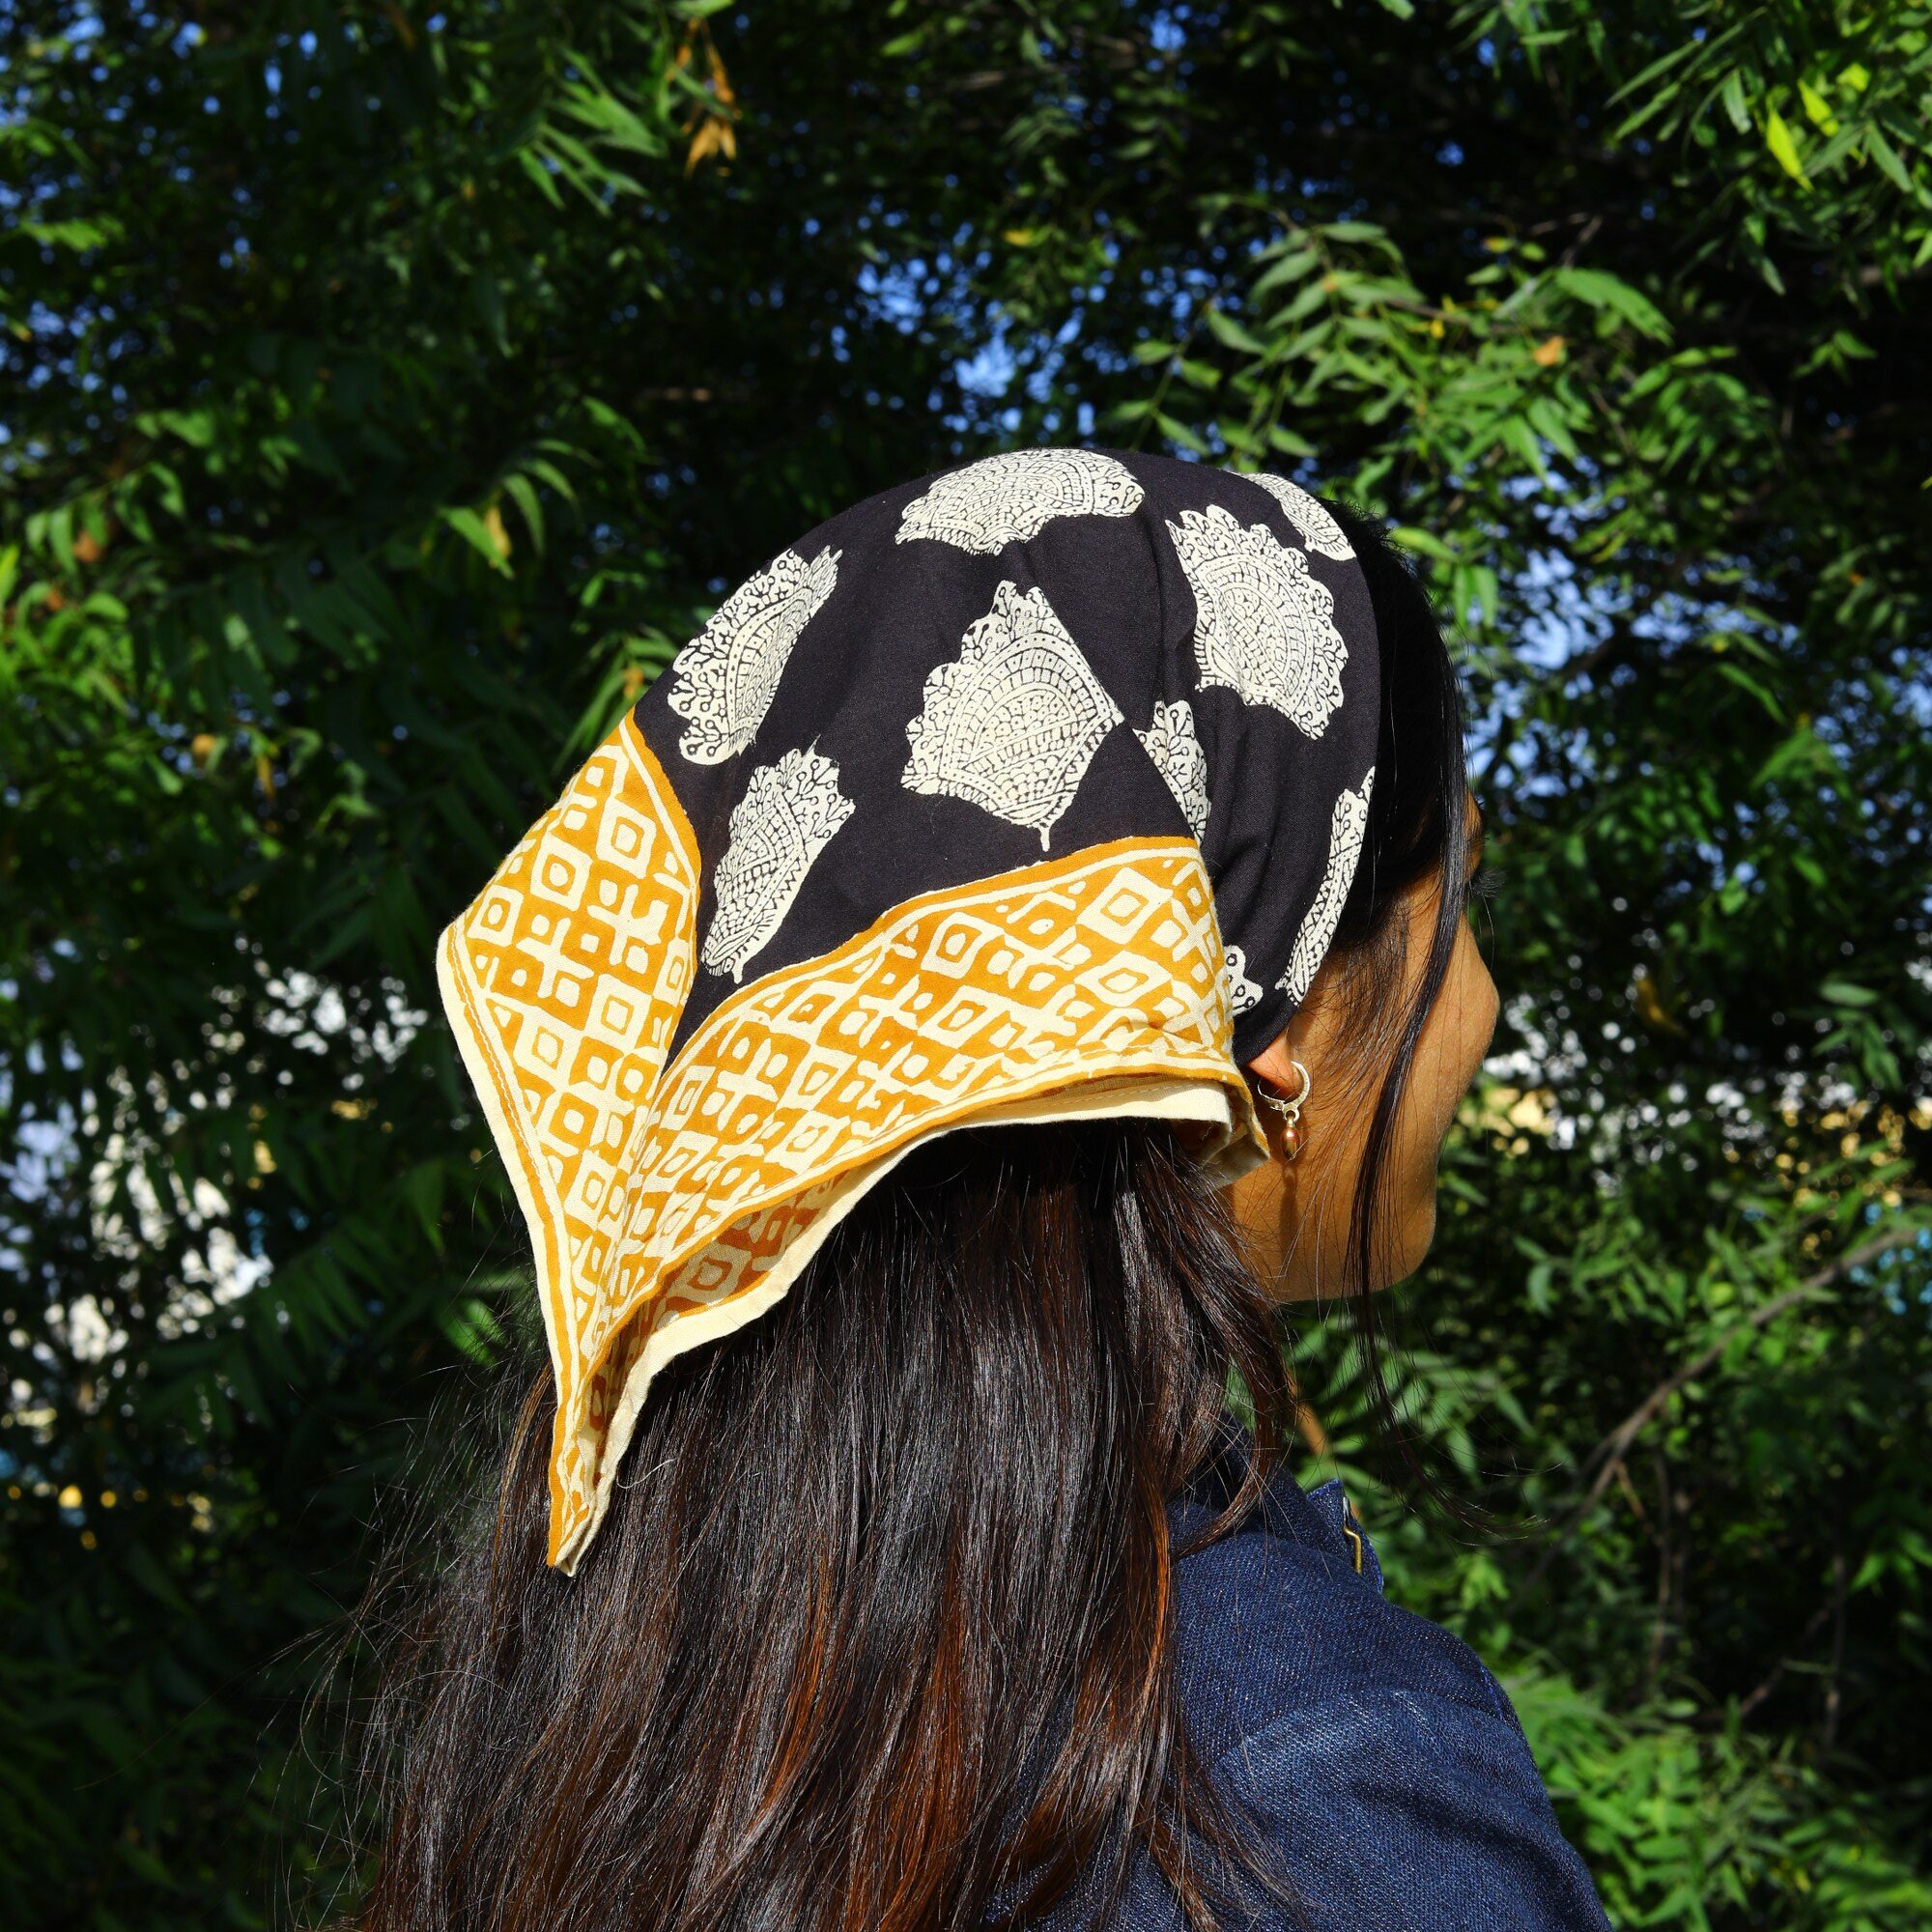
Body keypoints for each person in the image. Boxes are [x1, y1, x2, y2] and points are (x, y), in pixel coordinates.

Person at [355, 447, 1611, 1930]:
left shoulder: (615, 1706)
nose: (1488, 999)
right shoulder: (1300, 1789)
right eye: (1456, 901)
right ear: (1269, 1024)